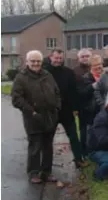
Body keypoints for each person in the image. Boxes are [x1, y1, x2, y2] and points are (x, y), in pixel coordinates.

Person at [11, 50, 61, 184]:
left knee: (48, 146)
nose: (35, 63)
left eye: (38, 61)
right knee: (35, 146)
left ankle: (46, 172)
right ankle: (33, 173)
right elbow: (16, 99)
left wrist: (57, 107)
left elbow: (56, 92)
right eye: (32, 61)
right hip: (32, 118)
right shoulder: (21, 77)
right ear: (27, 62)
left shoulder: (47, 74)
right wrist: (31, 112)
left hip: (49, 116)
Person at [43, 48, 87, 168]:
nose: (58, 60)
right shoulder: (44, 72)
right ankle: (46, 165)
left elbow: (74, 91)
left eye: (60, 58)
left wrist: (75, 108)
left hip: (67, 110)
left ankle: (79, 159)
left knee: (73, 136)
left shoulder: (68, 72)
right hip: (51, 111)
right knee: (48, 139)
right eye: (56, 58)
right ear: (51, 57)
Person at [77, 55, 103, 157]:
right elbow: (81, 93)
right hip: (89, 110)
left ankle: (98, 151)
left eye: (100, 64)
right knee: (88, 133)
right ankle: (86, 153)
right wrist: (92, 86)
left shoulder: (105, 75)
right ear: (90, 66)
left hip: (102, 109)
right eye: (95, 65)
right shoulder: (84, 78)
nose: (98, 67)